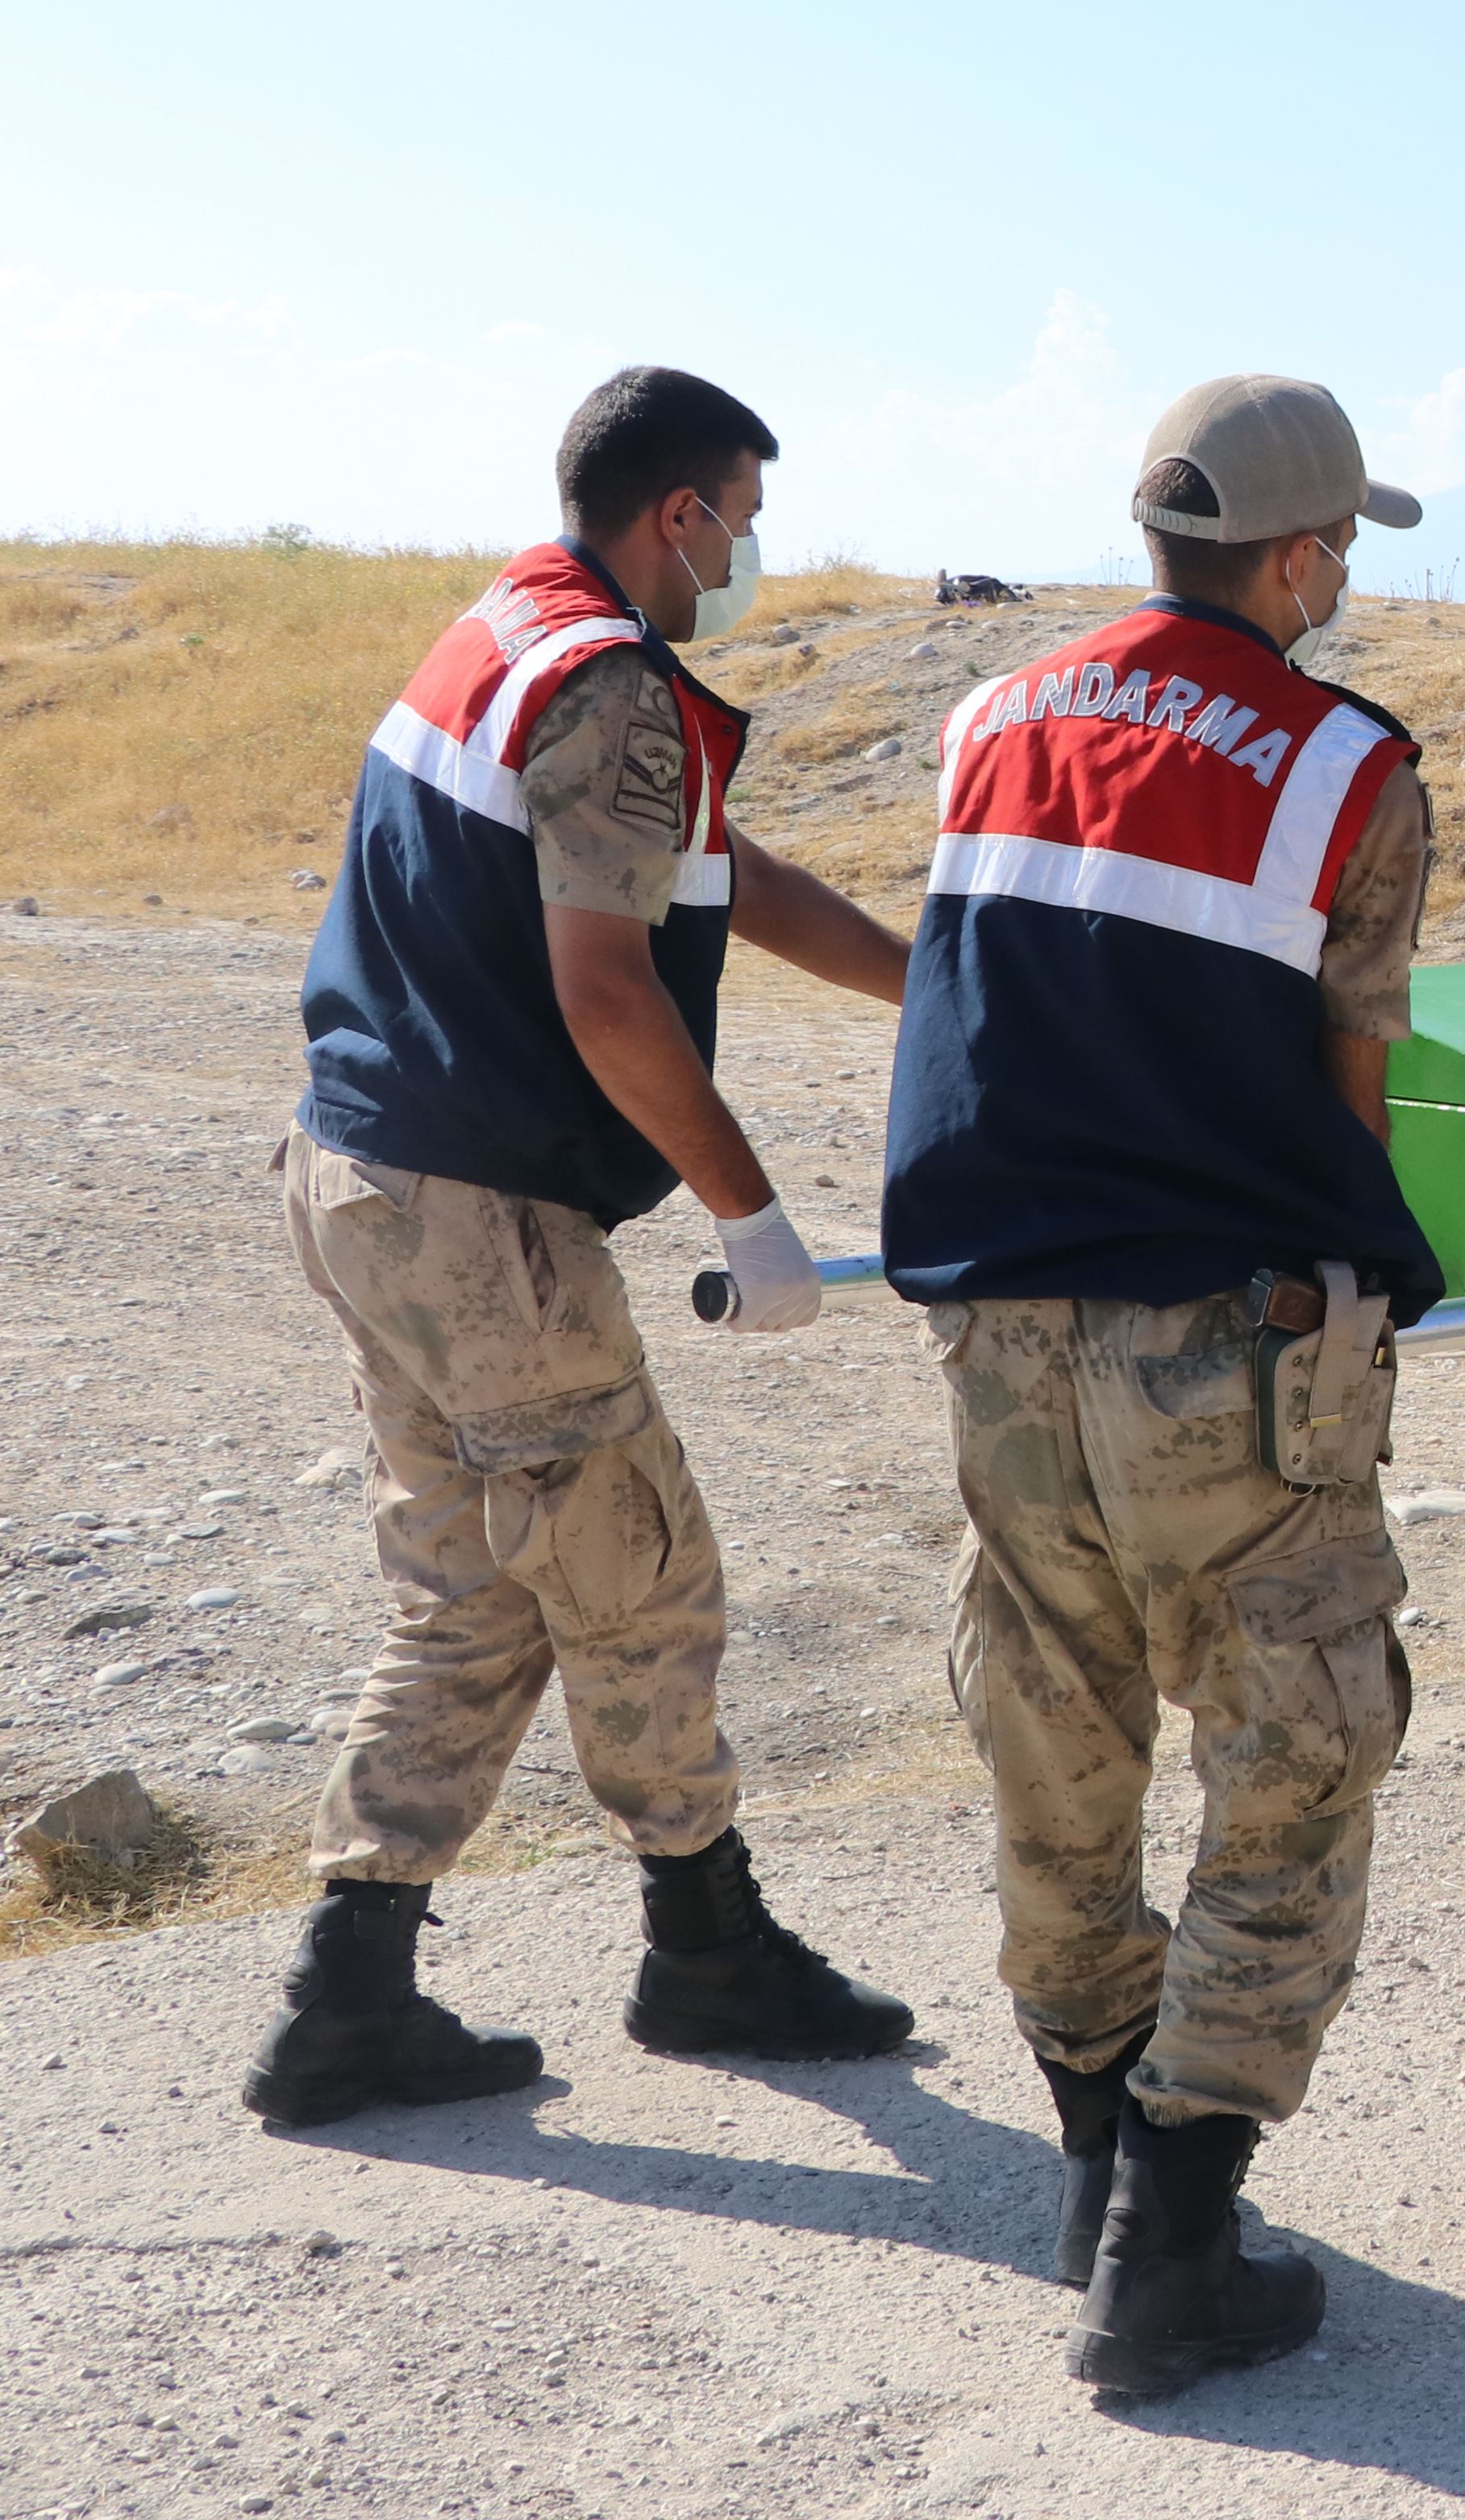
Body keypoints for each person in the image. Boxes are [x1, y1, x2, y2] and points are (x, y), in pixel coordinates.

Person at [252, 366, 920, 2129]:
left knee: (474, 1592)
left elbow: (715, 867)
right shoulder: (614, 680)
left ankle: (346, 1996)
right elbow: (609, 988)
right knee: (641, 1577)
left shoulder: (511, 628)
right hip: (482, 1221)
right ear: (678, 514)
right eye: (746, 518)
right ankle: (707, 1949)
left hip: (359, 1173)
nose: (752, 553)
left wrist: (930, 985)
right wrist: (751, 1213)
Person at [881, 376, 1438, 2397]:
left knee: (1054, 1729)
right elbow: (1352, 1081)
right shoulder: (1348, 764)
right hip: (1227, 1339)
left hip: (1001, 1324)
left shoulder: (995, 714)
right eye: (1341, 547)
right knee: (1297, 1745)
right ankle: (1176, 2245)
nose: (1344, 576)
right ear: (1294, 557)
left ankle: (1095, 2159)